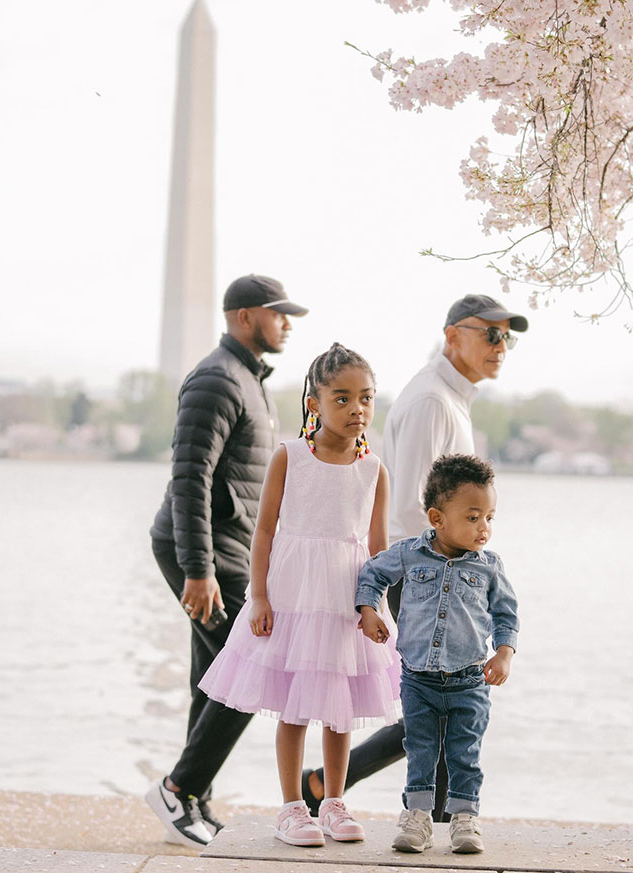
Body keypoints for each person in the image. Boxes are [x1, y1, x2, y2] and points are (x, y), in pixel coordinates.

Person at [302, 293, 528, 820]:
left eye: (506, 337)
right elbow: (419, 507)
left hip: (445, 569)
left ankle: (413, 805)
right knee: (439, 695)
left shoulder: (449, 398)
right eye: (489, 333)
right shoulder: (431, 401)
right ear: (453, 336)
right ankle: (437, 814)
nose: (501, 345)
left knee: (444, 696)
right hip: (425, 574)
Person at [197, 343, 400, 848]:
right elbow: (263, 532)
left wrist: (378, 608)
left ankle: (333, 800)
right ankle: (291, 807)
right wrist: (259, 597)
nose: (357, 409)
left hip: (345, 598)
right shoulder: (289, 457)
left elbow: (378, 547)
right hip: (293, 595)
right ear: (315, 402)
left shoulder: (374, 468)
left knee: (340, 704)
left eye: (367, 399)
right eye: (343, 398)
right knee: (294, 703)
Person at [145, 274, 308, 849]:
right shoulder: (217, 379)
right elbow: (188, 479)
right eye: (278, 312)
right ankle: (176, 788)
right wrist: (199, 570)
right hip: (204, 553)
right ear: (244, 316)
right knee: (257, 667)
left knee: (214, 677)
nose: (288, 322)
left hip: (230, 552)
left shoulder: (250, 379)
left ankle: (193, 799)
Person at [356, 454, 519, 856]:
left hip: (469, 680)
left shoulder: (489, 568)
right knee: (421, 750)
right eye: (473, 517)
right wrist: (369, 610)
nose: (484, 528)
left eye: (490, 518)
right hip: (417, 679)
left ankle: (465, 819)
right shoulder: (409, 554)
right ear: (437, 518)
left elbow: (506, 613)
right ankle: (417, 819)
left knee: (465, 752)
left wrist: (503, 655)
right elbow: (372, 573)